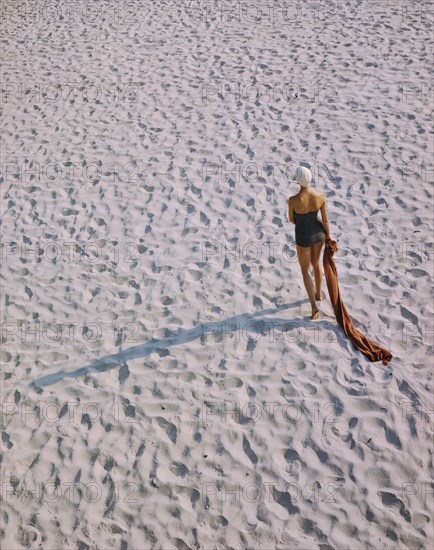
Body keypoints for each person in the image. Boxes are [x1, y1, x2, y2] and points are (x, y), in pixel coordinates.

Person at [287, 166, 331, 320]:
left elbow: (292, 219)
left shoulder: (293, 200)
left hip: (303, 236)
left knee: (305, 271)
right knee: (316, 263)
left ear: (298, 181)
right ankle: (318, 294)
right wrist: (329, 237)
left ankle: (313, 306)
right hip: (319, 234)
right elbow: (325, 220)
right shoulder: (321, 196)